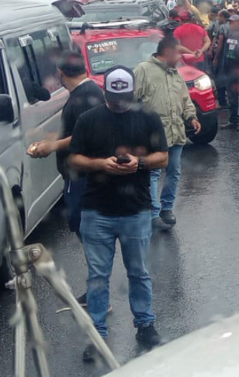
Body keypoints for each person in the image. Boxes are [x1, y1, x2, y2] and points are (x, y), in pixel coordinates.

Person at [68, 66, 168, 357]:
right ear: (104, 93)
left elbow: (163, 157)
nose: (119, 104)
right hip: (96, 210)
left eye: (124, 99)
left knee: (139, 272)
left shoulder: (148, 118)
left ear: (133, 92)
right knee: (98, 275)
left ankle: (145, 325)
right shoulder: (88, 120)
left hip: (136, 210)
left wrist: (140, 163)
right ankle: (97, 334)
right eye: (114, 100)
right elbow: (74, 158)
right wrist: (100, 164)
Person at [27, 51, 105, 237]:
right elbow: (75, 130)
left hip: (82, 175)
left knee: (85, 229)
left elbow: (86, 135)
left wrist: (52, 146)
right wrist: (48, 140)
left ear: (60, 72)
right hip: (80, 175)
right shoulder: (84, 92)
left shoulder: (85, 95)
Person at [134, 36, 201, 231]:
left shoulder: (175, 73)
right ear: (168, 52)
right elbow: (132, 100)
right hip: (154, 134)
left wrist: (192, 117)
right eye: (178, 53)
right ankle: (153, 213)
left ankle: (167, 208)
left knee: (174, 171)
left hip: (176, 131)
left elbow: (185, 99)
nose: (180, 57)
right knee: (154, 172)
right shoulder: (143, 70)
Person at [219, 15, 239, 130]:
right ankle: (233, 121)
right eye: (230, 23)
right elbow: (225, 52)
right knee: (232, 98)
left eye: (233, 22)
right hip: (230, 72)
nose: (231, 25)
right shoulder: (230, 35)